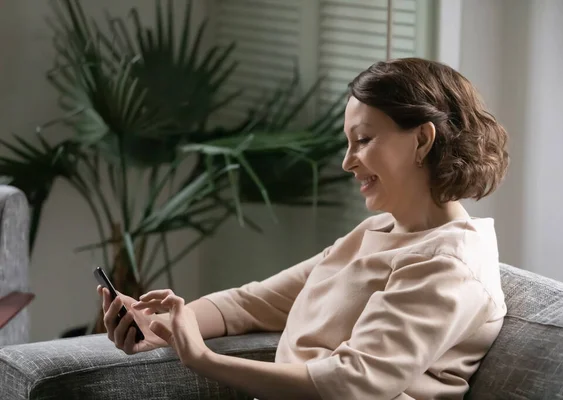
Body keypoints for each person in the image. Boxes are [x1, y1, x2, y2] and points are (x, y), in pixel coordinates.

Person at [98, 57, 509, 400]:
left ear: (422, 140)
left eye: (364, 139)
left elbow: (352, 382)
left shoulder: (449, 265)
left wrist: (204, 360)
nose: (348, 162)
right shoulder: (377, 231)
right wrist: (160, 325)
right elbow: (252, 303)